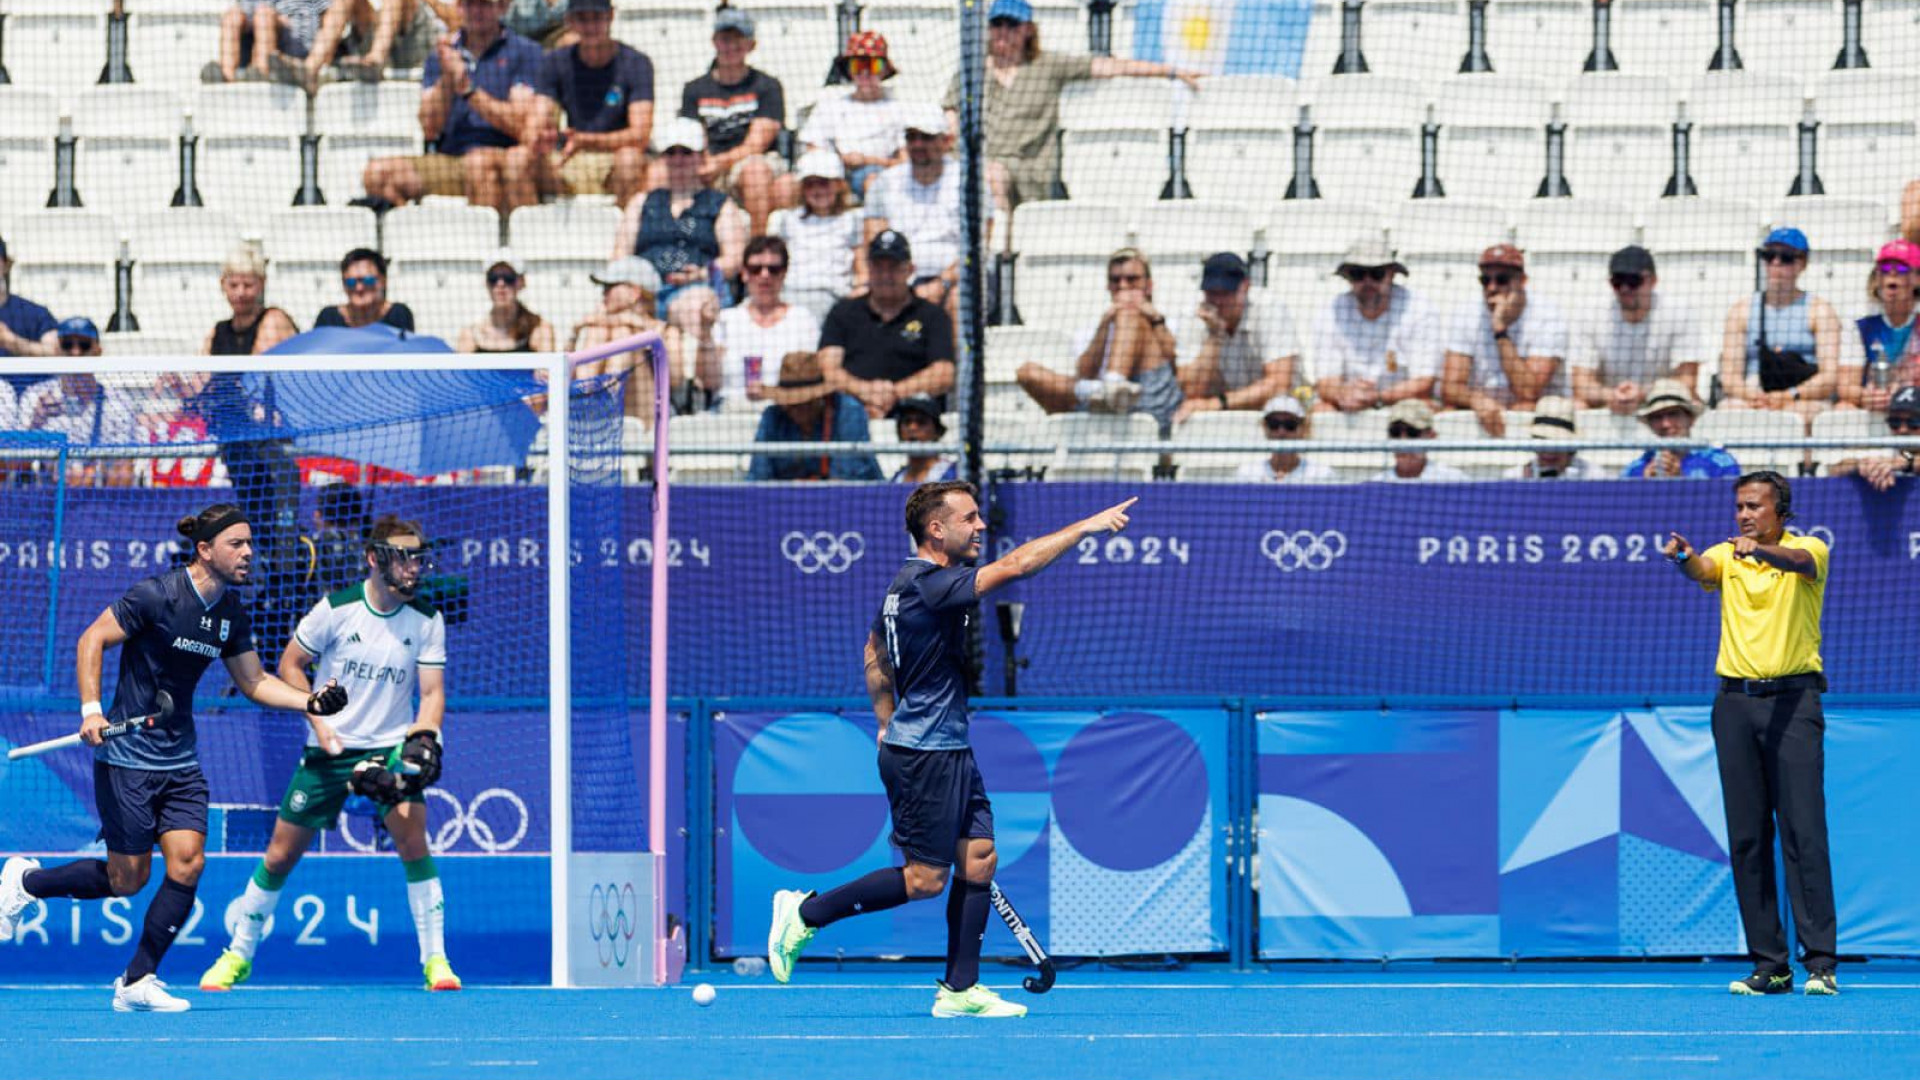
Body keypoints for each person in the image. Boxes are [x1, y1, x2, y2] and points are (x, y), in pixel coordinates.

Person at [766, 480, 1137, 1017]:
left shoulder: (903, 588)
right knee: (924, 880)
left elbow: (873, 649)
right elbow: (1014, 568)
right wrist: (1083, 527)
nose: (981, 526)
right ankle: (805, 914)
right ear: (936, 529)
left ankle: (960, 990)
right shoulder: (930, 584)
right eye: (969, 518)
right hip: (924, 756)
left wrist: (884, 718)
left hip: (946, 747)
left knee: (979, 858)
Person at [0, 504, 348, 1013]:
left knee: (188, 863)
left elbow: (253, 682)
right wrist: (92, 710)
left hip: (180, 759)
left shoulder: (229, 613)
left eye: (251, 543)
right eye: (237, 544)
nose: (249, 552)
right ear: (205, 550)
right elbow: (92, 639)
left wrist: (310, 701)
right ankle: (25, 881)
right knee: (128, 880)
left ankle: (138, 979)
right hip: (127, 759)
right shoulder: (156, 595)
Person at [200, 515, 457, 994]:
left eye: (419, 557)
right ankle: (236, 956)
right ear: (375, 559)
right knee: (278, 857)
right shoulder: (336, 611)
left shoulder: (427, 621)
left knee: (413, 843)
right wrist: (320, 721)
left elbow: (433, 693)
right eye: (405, 557)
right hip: (327, 752)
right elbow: (290, 667)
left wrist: (424, 740)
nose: (415, 567)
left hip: (387, 748)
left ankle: (436, 960)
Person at [1662, 472, 1838, 997]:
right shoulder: (1728, 554)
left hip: (1794, 702)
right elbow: (1702, 569)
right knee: (1747, 836)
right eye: (1739, 506)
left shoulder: (1809, 549)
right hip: (1735, 704)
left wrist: (1760, 552)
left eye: (1754, 506)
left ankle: (1822, 963)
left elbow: (1798, 564)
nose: (1743, 514)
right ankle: (1771, 963)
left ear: (1778, 512)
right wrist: (1683, 557)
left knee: (1804, 833)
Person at [948, 0, 1200, 221]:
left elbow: (1109, 66)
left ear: (1027, 29)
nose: (1003, 31)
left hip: (1027, 171)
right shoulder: (974, 69)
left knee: (994, 175)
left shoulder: (1048, 66)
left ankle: (997, 255)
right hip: (976, 166)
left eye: (1011, 24)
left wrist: (1171, 71)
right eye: (997, 24)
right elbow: (950, 111)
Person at [360, 0, 541, 217]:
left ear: (502, 7)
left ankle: (486, 246)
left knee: (479, 163)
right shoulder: (441, 54)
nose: (476, 11)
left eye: (485, 5)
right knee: (376, 175)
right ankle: (423, 238)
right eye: (469, 4)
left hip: (506, 157)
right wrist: (447, 78)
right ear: (459, 7)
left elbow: (520, 126)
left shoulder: (525, 51)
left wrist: (467, 90)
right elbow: (429, 128)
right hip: (451, 160)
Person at [611, 117, 749, 329]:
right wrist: (633, 284)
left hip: (696, 289)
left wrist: (701, 273)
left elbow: (735, 258)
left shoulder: (721, 205)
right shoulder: (641, 202)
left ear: (701, 158)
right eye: (671, 153)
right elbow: (620, 256)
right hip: (644, 292)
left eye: (686, 153)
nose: (678, 160)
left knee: (692, 310)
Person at [1016, 247, 1180, 424]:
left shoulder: (1166, 321)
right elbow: (1085, 374)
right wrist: (1105, 325)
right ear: (1108, 286)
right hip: (1098, 405)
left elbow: (1176, 368)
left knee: (1128, 314)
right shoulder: (1090, 329)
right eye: (1115, 280)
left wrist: (1154, 319)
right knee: (1028, 373)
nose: (1123, 286)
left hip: (1150, 402)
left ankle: (1113, 385)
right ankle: (1109, 392)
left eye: (1132, 280)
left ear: (1148, 286)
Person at [518, 0, 654, 209]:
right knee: (518, 159)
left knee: (630, 161)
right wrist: (537, 137)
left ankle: (625, 237)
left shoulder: (636, 63)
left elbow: (640, 135)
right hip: (570, 157)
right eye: (582, 18)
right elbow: (536, 117)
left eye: (597, 18)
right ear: (570, 21)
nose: (590, 27)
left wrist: (586, 140)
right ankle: (533, 238)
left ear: (610, 16)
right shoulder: (555, 61)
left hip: (614, 157)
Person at [818, 230, 956, 420]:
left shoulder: (932, 315)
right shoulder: (843, 312)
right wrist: (865, 391)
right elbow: (827, 369)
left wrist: (893, 394)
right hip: (852, 418)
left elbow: (944, 374)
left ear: (910, 270)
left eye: (893, 267)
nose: (885, 275)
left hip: (914, 421)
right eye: (878, 266)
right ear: (868, 268)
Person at [1717, 227, 1842, 431]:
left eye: (1786, 258)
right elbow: (1729, 376)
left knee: (1804, 415)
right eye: (1769, 256)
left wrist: (1788, 396)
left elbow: (1829, 377)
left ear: (1802, 263)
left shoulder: (1820, 311)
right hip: (1754, 392)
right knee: (1729, 410)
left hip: (1802, 394)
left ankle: (1804, 464)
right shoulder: (1741, 311)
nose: (1776, 263)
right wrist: (1755, 396)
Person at [675, 6, 785, 237]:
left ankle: (758, 249)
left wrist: (719, 163)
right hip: (706, 160)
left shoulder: (767, 86)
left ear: (751, 45)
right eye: (726, 39)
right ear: (714, 41)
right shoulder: (694, 89)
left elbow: (756, 145)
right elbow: (691, 136)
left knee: (755, 174)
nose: (731, 47)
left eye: (739, 40)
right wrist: (705, 164)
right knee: (660, 172)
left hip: (750, 161)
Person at [1442, 244, 1568, 436]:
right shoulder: (1465, 314)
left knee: (1524, 406)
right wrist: (1476, 400)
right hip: (1485, 402)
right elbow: (1449, 387)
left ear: (1522, 280)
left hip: (1533, 408)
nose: (1492, 288)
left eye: (1502, 280)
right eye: (1485, 280)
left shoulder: (1548, 317)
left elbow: (1529, 391)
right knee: (1448, 410)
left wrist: (1500, 331)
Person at [861, 105, 973, 321]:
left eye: (926, 137)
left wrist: (942, 283)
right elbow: (874, 244)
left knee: (959, 301)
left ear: (946, 141)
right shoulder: (885, 182)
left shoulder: (968, 182)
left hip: (957, 280)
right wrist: (901, 287)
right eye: (911, 137)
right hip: (896, 277)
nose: (918, 144)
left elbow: (976, 250)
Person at [1309, 239, 1441, 414]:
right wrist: (1344, 394)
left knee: (1428, 407)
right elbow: (1325, 383)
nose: (1367, 281)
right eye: (1358, 274)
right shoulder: (1331, 311)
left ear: (1392, 275)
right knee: (1321, 411)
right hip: (1350, 404)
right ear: (1348, 277)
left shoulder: (1420, 309)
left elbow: (1424, 381)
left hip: (1402, 403)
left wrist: (1378, 397)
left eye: (1376, 273)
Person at [1570, 245, 1701, 415]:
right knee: (1576, 406)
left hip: (1665, 403)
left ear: (1653, 281)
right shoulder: (1590, 315)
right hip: (1610, 405)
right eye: (1617, 281)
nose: (1624, 289)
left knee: (1694, 403)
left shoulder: (1679, 312)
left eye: (1633, 281)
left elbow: (1687, 382)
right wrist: (1612, 395)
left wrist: (1644, 393)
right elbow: (1582, 385)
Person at [1173, 253, 1301, 424]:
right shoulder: (1191, 315)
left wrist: (1219, 403)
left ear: (1245, 287)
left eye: (1225, 293)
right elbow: (1191, 390)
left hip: (1278, 419)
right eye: (1211, 293)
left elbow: (1279, 384)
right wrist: (1215, 336)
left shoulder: (1270, 308)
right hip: (1221, 420)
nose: (1217, 301)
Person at [696, 237, 821, 413]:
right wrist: (705, 331)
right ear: (744, 273)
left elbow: (810, 377)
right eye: (756, 269)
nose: (765, 276)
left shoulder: (802, 319)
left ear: (784, 273)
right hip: (729, 412)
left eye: (773, 269)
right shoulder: (726, 319)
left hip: (787, 411)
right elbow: (708, 382)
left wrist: (772, 393)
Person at [18, 319, 146, 488]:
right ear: (57, 350)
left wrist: (90, 477)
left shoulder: (118, 403)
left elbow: (123, 472)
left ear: (98, 351)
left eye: (84, 345)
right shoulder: (34, 397)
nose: (75, 352)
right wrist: (36, 423)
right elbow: (12, 465)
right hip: (43, 498)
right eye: (68, 345)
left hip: (99, 500)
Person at [792, 32, 908, 200]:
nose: (865, 73)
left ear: (884, 69)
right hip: (831, 175)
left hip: (879, 173)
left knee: (874, 181)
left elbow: (905, 163)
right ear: (849, 70)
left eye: (873, 65)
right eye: (858, 65)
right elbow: (813, 148)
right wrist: (839, 162)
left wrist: (867, 160)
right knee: (787, 185)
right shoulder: (830, 104)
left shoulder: (898, 108)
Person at [571, 257, 685, 418]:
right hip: (599, 412)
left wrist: (644, 331)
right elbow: (563, 376)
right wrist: (573, 333)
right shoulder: (596, 326)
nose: (603, 293)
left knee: (623, 333)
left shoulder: (667, 331)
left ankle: (606, 400)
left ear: (634, 293)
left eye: (609, 287)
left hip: (648, 418)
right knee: (600, 331)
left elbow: (676, 380)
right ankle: (589, 404)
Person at [746, 351, 882, 481]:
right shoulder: (772, 417)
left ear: (821, 396)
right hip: (786, 501)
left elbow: (844, 481)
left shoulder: (848, 411)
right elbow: (758, 478)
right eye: (790, 402)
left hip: (853, 500)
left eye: (805, 402)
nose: (797, 409)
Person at [769, 150, 867, 322]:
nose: (817, 190)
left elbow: (862, 269)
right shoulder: (786, 219)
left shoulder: (852, 219)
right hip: (790, 295)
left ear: (838, 184)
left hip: (834, 296)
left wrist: (859, 291)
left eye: (824, 183)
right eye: (810, 184)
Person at [1838, 239, 1920, 413]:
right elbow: (1846, 385)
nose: (1892, 274)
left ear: (1917, 278)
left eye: (1902, 269)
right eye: (1884, 269)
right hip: (1876, 402)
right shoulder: (1860, 322)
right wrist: (1864, 396)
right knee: (1843, 409)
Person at [1621, 378, 1741, 479]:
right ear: (1649, 424)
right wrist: (1642, 486)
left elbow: (1729, 504)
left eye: (1673, 414)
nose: (1665, 424)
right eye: (1657, 417)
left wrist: (1681, 483)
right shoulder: (1635, 470)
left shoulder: (1720, 462)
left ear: (1691, 418)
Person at [204, 243, 299, 356]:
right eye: (233, 285)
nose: (240, 293)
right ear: (222, 284)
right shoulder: (217, 333)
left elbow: (260, 372)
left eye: (248, 285)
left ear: (262, 283)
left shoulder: (272, 321)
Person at [456, 251, 554, 353]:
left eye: (508, 278)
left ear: (522, 282)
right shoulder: (470, 335)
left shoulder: (539, 330)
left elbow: (546, 369)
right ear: (486, 283)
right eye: (493, 278)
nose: (500, 284)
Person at [210, 0, 329, 85]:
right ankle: (226, 77)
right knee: (232, 16)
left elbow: (326, 18)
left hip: (296, 45)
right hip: (258, 37)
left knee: (264, 15)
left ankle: (260, 74)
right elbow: (247, 14)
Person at [1828, 385, 1920, 491]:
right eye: (1895, 422)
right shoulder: (1885, 448)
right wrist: (1860, 466)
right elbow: (1833, 470)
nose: (1903, 430)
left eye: (1914, 422)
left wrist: (1906, 462)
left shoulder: (1898, 459)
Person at [1233, 395, 1335, 483]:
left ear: (1303, 428)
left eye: (1289, 425)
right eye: (1274, 424)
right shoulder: (1247, 474)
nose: (1281, 432)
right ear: (1265, 427)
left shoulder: (1321, 475)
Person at [0, 235, 60, 382]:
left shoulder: (36, 314)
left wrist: (9, 340)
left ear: (6, 264)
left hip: (31, 401)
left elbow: (56, 352)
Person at [315, 248, 415, 332]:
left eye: (368, 281)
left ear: (383, 281)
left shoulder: (398, 314)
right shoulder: (329, 318)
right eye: (351, 282)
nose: (359, 288)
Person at [1371, 398, 1470, 482]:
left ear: (1431, 436)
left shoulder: (1454, 481)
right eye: (1395, 432)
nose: (1403, 441)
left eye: (1412, 432)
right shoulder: (1376, 484)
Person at [1502, 395, 1588, 479]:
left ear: (1570, 447)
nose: (1549, 451)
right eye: (1542, 439)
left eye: (1556, 442)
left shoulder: (1593, 476)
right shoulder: (1513, 477)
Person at [891, 394, 957, 483]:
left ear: (937, 431)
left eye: (921, 422)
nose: (912, 428)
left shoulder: (955, 475)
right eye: (907, 421)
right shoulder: (897, 479)